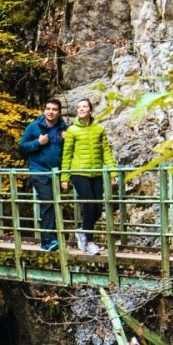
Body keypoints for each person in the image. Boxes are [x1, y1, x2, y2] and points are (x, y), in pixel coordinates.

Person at [61, 97, 112, 254]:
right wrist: (65, 177)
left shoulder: (99, 129)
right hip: (79, 173)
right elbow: (67, 154)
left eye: (84, 106)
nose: (81, 109)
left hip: (96, 172)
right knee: (89, 206)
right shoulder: (72, 130)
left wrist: (113, 172)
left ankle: (82, 230)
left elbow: (106, 151)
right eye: (79, 107)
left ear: (90, 109)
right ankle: (89, 243)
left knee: (98, 210)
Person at [16, 99, 67, 251]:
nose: (51, 112)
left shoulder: (63, 129)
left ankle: (54, 238)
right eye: (48, 108)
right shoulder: (33, 127)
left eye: (54, 109)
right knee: (48, 202)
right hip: (38, 171)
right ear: (44, 110)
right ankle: (47, 241)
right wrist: (38, 143)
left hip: (56, 173)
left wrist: (66, 140)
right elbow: (22, 148)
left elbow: (68, 152)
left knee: (55, 204)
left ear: (59, 112)